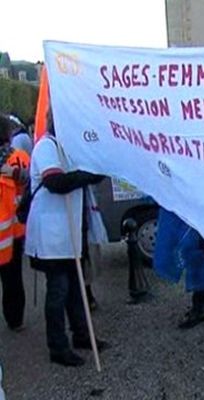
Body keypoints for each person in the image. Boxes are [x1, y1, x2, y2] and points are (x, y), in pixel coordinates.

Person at [25, 109, 109, 367]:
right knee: (59, 291)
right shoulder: (46, 147)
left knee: (76, 288)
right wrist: (90, 174)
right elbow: (56, 183)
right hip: (52, 236)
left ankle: (82, 335)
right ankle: (58, 346)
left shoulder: (70, 148)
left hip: (69, 232)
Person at [153, 207, 204, 329]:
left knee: (196, 254)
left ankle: (200, 308)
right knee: (201, 254)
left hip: (192, 209)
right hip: (194, 209)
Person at [0, 115, 30, 332]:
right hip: (14, 228)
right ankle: (15, 319)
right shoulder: (18, 158)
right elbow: (31, 184)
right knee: (13, 277)